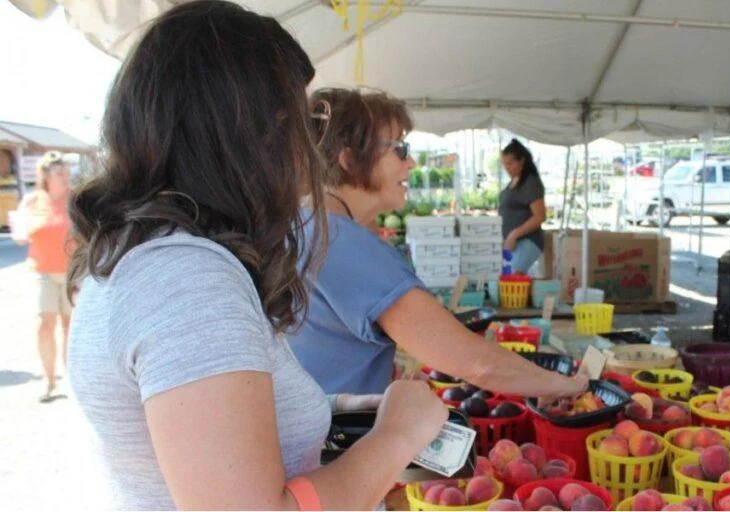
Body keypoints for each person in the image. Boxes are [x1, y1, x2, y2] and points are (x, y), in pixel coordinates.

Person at [65, 2, 447, 509]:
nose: (307, 146)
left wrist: (325, 410)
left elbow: (205, 425)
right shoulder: (184, 279)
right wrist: (396, 437)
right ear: (258, 132)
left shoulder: (142, 256)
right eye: (305, 118)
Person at [288, 88, 587, 400]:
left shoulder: (301, 223)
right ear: (349, 159)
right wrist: (566, 385)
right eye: (399, 149)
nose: (411, 162)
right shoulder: (346, 245)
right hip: (332, 439)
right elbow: (477, 364)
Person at [14, 151, 73, 402]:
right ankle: (49, 381)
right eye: (59, 173)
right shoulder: (32, 201)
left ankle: (72, 380)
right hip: (44, 272)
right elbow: (19, 231)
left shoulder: (76, 200)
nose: (65, 177)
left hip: (73, 273)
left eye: (66, 172)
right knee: (44, 326)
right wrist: (20, 228)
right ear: (46, 177)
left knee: (71, 328)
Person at [499, 139, 546, 274]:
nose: (507, 168)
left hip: (527, 241)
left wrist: (514, 235)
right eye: (504, 164)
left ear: (522, 161)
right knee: (504, 278)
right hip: (510, 243)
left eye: (510, 163)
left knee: (511, 276)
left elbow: (540, 216)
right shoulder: (513, 181)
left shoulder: (531, 182)